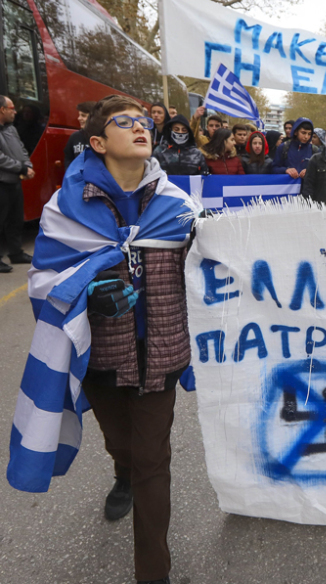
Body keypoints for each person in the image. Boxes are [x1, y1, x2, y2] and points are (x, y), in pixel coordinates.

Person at [35, 94, 192, 584]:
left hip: (162, 353)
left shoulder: (178, 206)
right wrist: (87, 295)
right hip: (101, 354)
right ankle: (120, 471)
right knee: (120, 444)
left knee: (153, 462)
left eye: (145, 122)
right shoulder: (64, 208)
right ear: (98, 143)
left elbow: (214, 268)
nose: (141, 128)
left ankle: (154, 574)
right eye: (125, 123)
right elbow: (42, 282)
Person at [0, 95, 35, 273]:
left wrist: (27, 166)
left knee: (15, 219)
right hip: (2, 183)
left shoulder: (11, 129)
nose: (15, 111)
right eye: (12, 108)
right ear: (2, 110)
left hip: (14, 182)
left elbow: (21, 149)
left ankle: (16, 253)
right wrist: (20, 168)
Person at [64, 101, 96, 169]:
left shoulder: (102, 136)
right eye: (79, 115)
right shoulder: (75, 137)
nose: (79, 118)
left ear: (94, 117)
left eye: (83, 115)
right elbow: (68, 158)